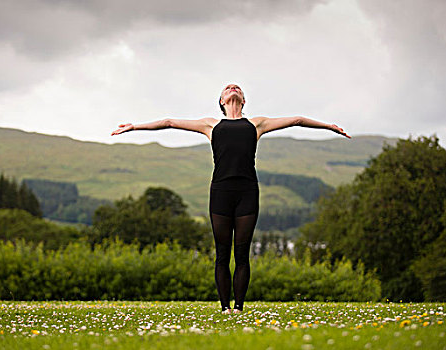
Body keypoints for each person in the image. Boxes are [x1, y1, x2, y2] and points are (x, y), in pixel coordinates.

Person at [111, 83, 350, 314]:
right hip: (221, 193)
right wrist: (134, 127)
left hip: (247, 193)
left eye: (237, 88)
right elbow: (169, 122)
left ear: (243, 100)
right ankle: (225, 307)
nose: (232, 88)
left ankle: (239, 308)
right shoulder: (210, 125)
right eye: (227, 88)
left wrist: (330, 126)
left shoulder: (257, 124)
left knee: (242, 253)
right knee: (222, 253)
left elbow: (297, 120)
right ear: (222, 101)